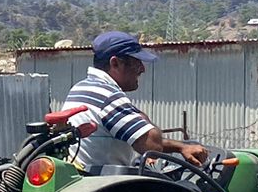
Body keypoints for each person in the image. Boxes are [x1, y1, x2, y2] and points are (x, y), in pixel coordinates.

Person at [64, 31, 211, 173]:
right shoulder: (108, 96)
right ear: (115, 63)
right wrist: (139, 114)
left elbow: (137, 136)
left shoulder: (81, 88)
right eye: (136, 62)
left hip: (87, 177)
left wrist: (181, 147)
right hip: (106, 191)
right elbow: (152, 146)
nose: (142, 69)